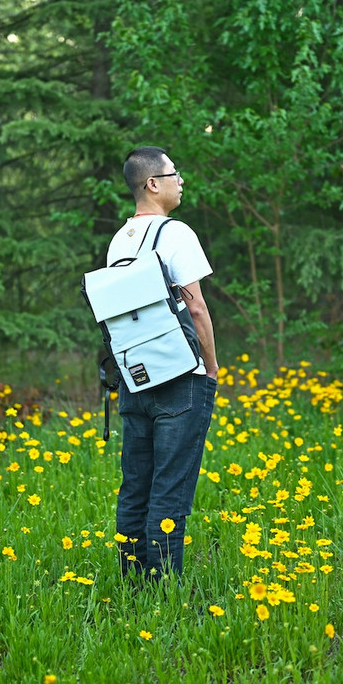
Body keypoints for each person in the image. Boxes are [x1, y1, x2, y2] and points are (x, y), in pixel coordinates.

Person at [107, 146, 219, 583]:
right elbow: (195, 308)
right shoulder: (175, 233)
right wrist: (210, 366)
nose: (181, 180)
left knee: (135, 489)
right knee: (170, 493)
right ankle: (164, 593)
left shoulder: (120, 239)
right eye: (175, 173)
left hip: (135, 378)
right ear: (153, 184)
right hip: (179, 378)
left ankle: (131, 585)